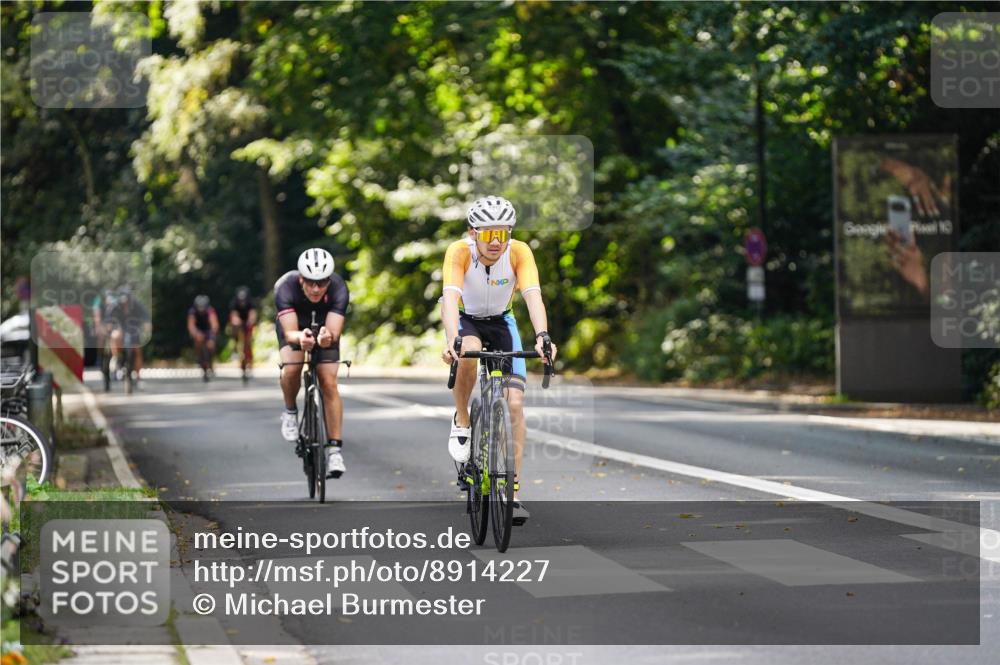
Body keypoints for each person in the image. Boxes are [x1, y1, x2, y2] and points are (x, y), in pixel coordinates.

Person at [440, 195, 557, 526]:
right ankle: (463, 420)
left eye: (503, 234)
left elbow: (533, 296)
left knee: (515, 405)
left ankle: (513, 491)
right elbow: (450, 299)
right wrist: (452, 339)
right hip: (468, 320)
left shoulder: (519, 252)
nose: (496, 242)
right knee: (467, 352)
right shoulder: (458, 252)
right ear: (473, 232)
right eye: (488, 234)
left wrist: (543, 336)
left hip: (502, 322)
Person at [275, 248, 349, 478]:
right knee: (292, 368)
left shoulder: (338, 288)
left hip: (324, 330)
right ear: (301, 279)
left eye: (322, 282)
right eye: (310, 282)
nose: (316, 288)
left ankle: (335, 451)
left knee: (328, 382)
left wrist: (326, 338)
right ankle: (290, 410)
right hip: (296, 329)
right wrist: (302, 338)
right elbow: (289, 333)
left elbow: (334, 332)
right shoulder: (285, 286)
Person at [106, 286, 152, 386]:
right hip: (119, 329)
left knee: (137, 351)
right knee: (115, 336)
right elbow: (109, 319)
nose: (125, 302)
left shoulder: (136, 305)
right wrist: (110, 326)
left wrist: (147, 324)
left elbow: (145, 316)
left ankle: (139, 377)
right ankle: (116, 358)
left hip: (133, 331)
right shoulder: (115, 306)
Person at [228, 286, 258, 382]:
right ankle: (235, 348)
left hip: (247, 323)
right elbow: (234, 316)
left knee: (248, 343)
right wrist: (237, 322)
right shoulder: (234, 303)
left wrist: (250, 322)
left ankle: (250, 363)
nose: (242, 303)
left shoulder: (251, 303)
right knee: (235, 330)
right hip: (239, 324)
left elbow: (252, 315)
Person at [187, 295, 219, 381]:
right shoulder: (192, 311)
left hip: (208, 330)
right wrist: (196, 333)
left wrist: (211, 336)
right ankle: (199, 358)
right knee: (198, 342)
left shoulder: (210, 310)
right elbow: (191, 325)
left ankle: (211, 361)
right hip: (198, 330)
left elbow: (214, 324)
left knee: (210, 346)